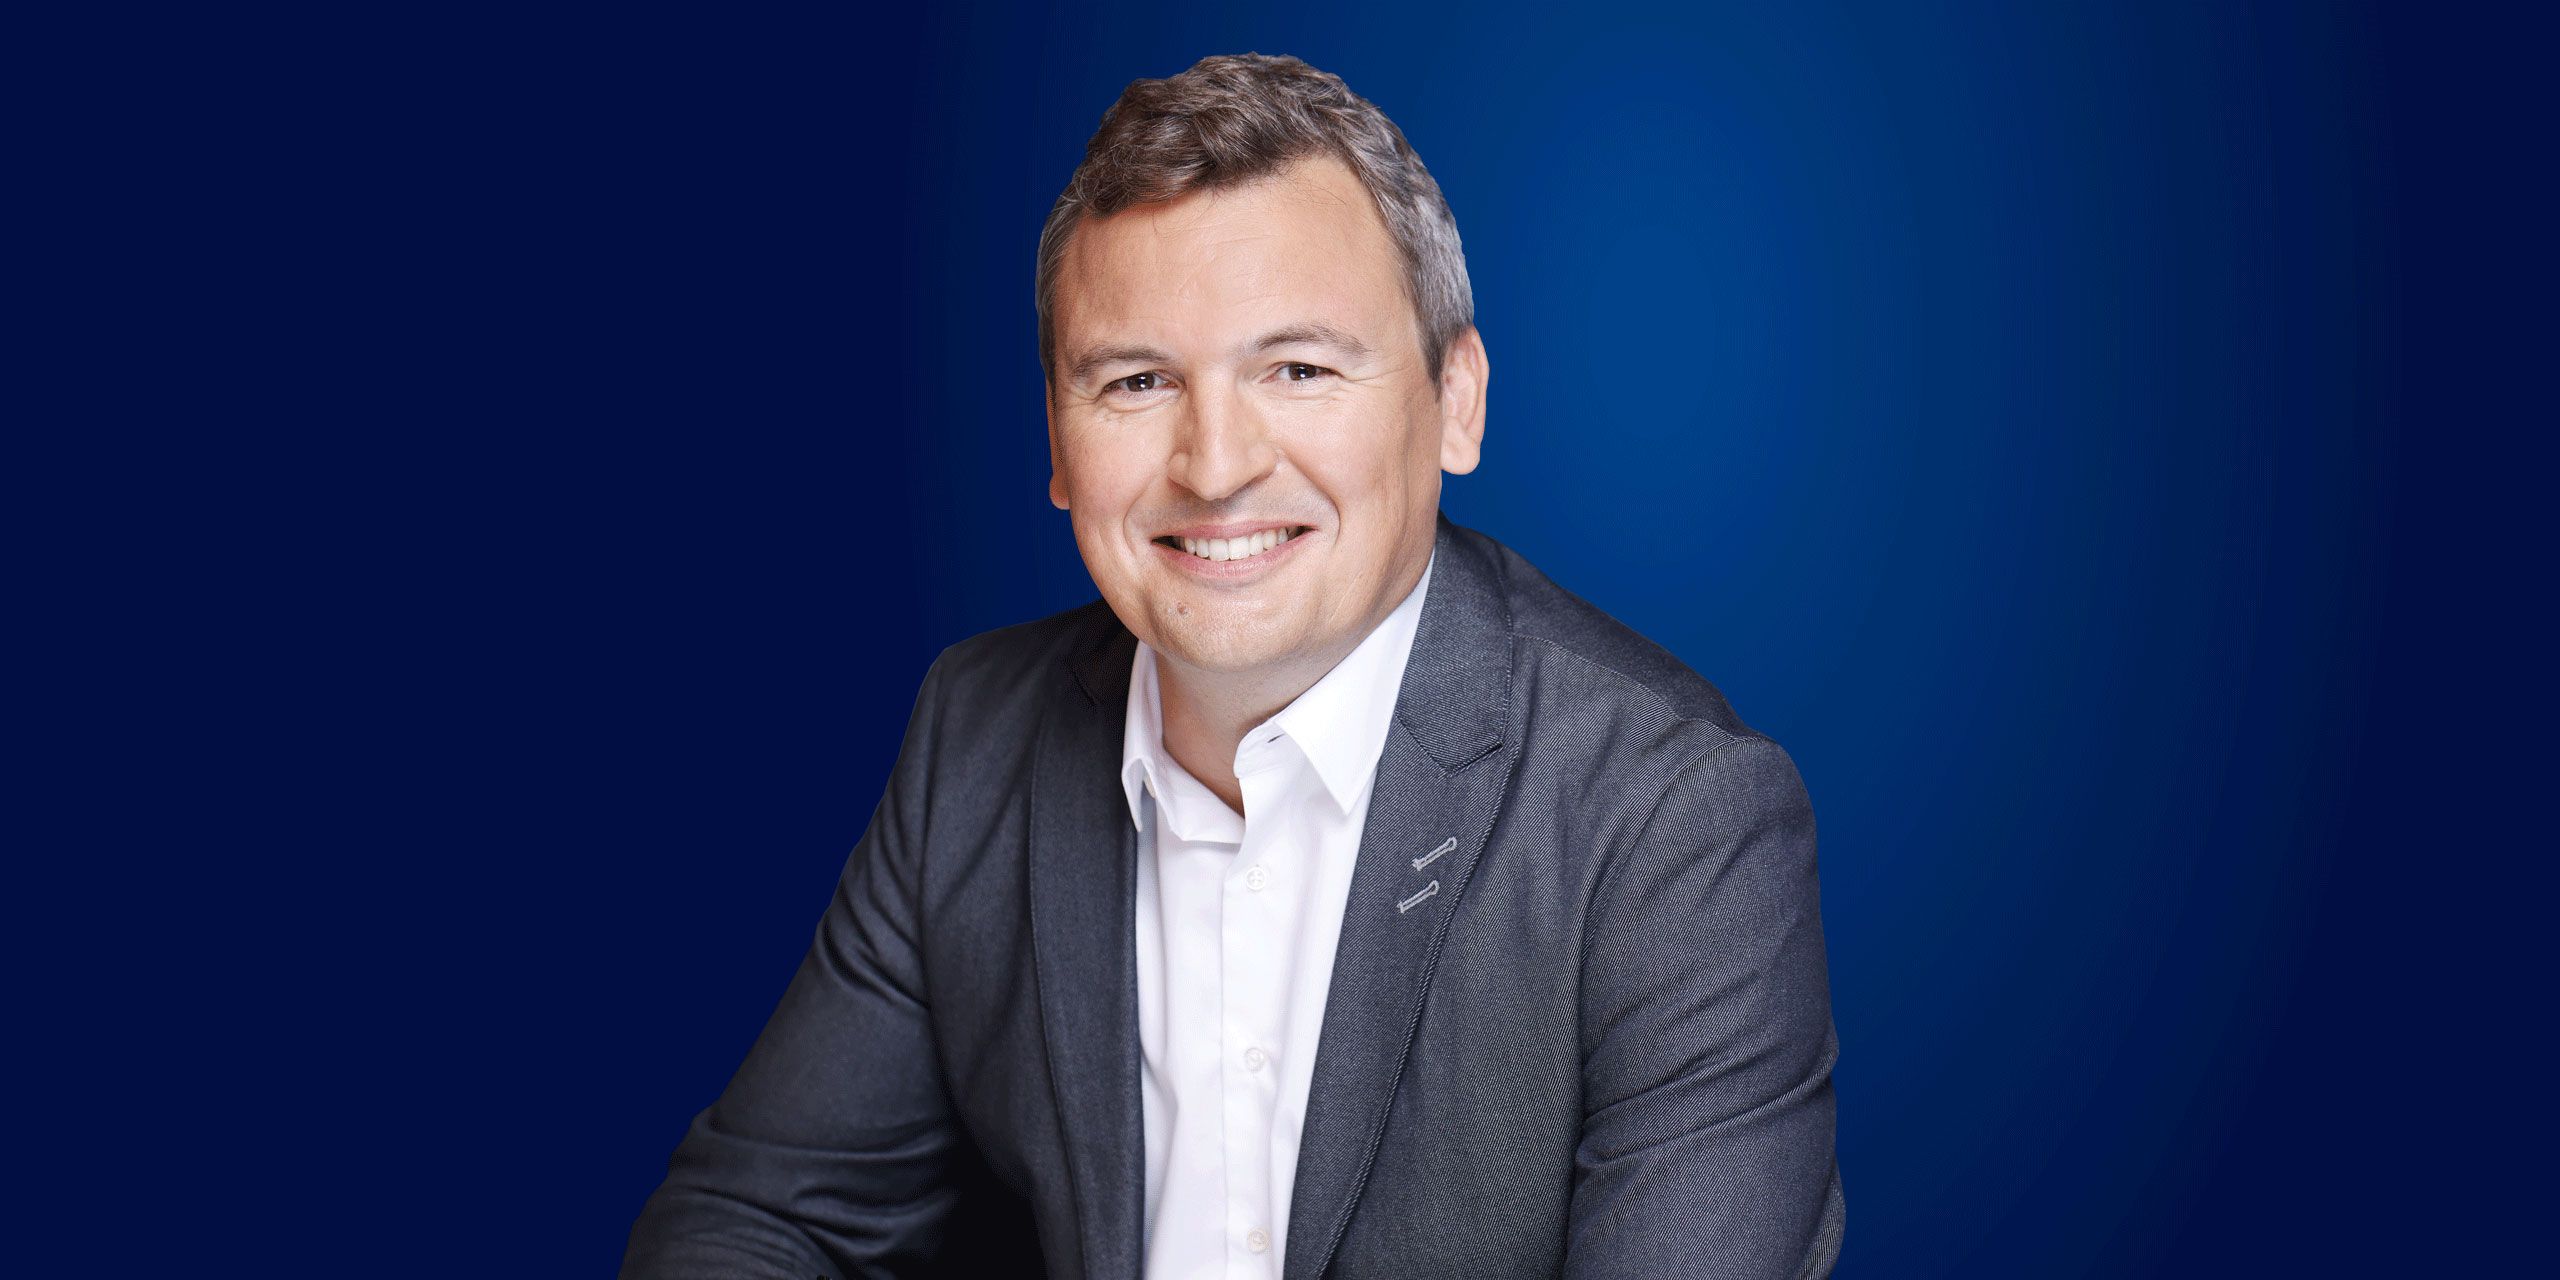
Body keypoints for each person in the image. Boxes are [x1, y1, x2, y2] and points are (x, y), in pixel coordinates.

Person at [624, 52, 1843, 1279]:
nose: (1214, 465)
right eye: (1138, 381)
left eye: (1298, 369)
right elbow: (756, 1222)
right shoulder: (976, 734)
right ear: (1058, 442)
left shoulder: (1671, 820)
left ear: (1457, 402)